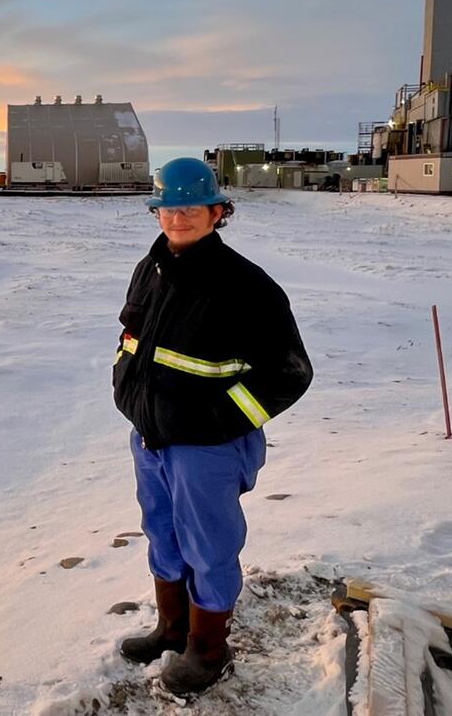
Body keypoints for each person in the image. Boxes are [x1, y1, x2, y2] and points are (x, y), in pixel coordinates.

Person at [111, 157, 313, 696]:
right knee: (163, 534)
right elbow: (132, 337)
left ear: (219, 211)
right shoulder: (149, 269)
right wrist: (123, 385)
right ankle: (172, 629)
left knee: (210, 545)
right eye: (168, 209)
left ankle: (208, 649)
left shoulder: (245, 286)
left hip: (207, 447)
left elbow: (289, 373)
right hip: (151, 438)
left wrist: (216, 422)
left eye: (192, 208)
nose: (179, 219)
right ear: (157, 212)